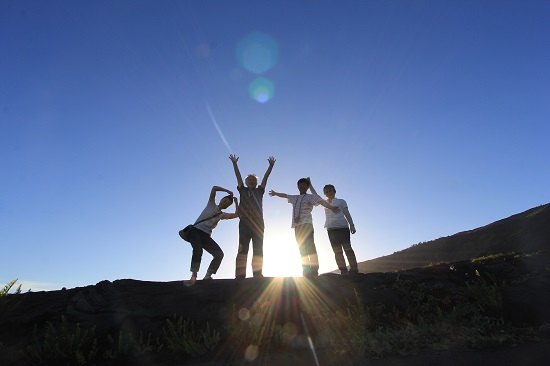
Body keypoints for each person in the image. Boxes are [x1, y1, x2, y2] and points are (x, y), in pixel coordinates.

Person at [269, 178, 340, 278]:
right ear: (298, 186)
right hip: (297, 226)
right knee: (301, 248)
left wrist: (331, 207)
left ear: (307, 187)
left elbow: (321, 201)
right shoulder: (295, 198)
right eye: (300, 184)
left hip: (306, 224)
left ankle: (314, 270)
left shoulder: (310, 197)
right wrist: (275, 193)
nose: (301, 186)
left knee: (310, 247)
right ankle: (306, 271)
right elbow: (285, 195)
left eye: (304, 185)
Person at [229, 154, 276, 278]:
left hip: (258, 222)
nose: (251, 181)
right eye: (249, 179)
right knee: (242, 249)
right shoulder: (242, 190)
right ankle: (239, 275)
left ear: (256, 182)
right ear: (245, 182)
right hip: (244, 222)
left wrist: (270, 166)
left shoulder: (260, 191)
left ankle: (257, 273)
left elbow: (266, 178)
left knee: (258, 249)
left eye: (253, 180)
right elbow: (238, 176)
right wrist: (235, 164)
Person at [184, 186, 239, 284]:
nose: (224, 203)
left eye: (227, 204)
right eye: (224, 201)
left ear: (227, 207)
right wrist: (227, 191)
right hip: (195, 231)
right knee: (198, 250)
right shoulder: (211, 204)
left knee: (219, 254)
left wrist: (236, 202)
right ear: (221, 200)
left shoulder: (222, 215)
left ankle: (208, 275)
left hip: (206, 236)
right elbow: (214, 188)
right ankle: (194, 275)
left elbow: (237, 215)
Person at [310, 182, 359, 275]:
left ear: (334, 191)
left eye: (330, 190)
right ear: (325, 194)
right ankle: (343, 270)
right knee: (337, 251)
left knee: (348, 248)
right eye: (327, 191)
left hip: (343, 227)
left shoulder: (341, 201)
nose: (329, 192)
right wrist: (310, 184)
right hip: (331, 229)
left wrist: (352, 225)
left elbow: (346, 213)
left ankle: (354, 269)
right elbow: (315, 195)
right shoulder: (324, 203)